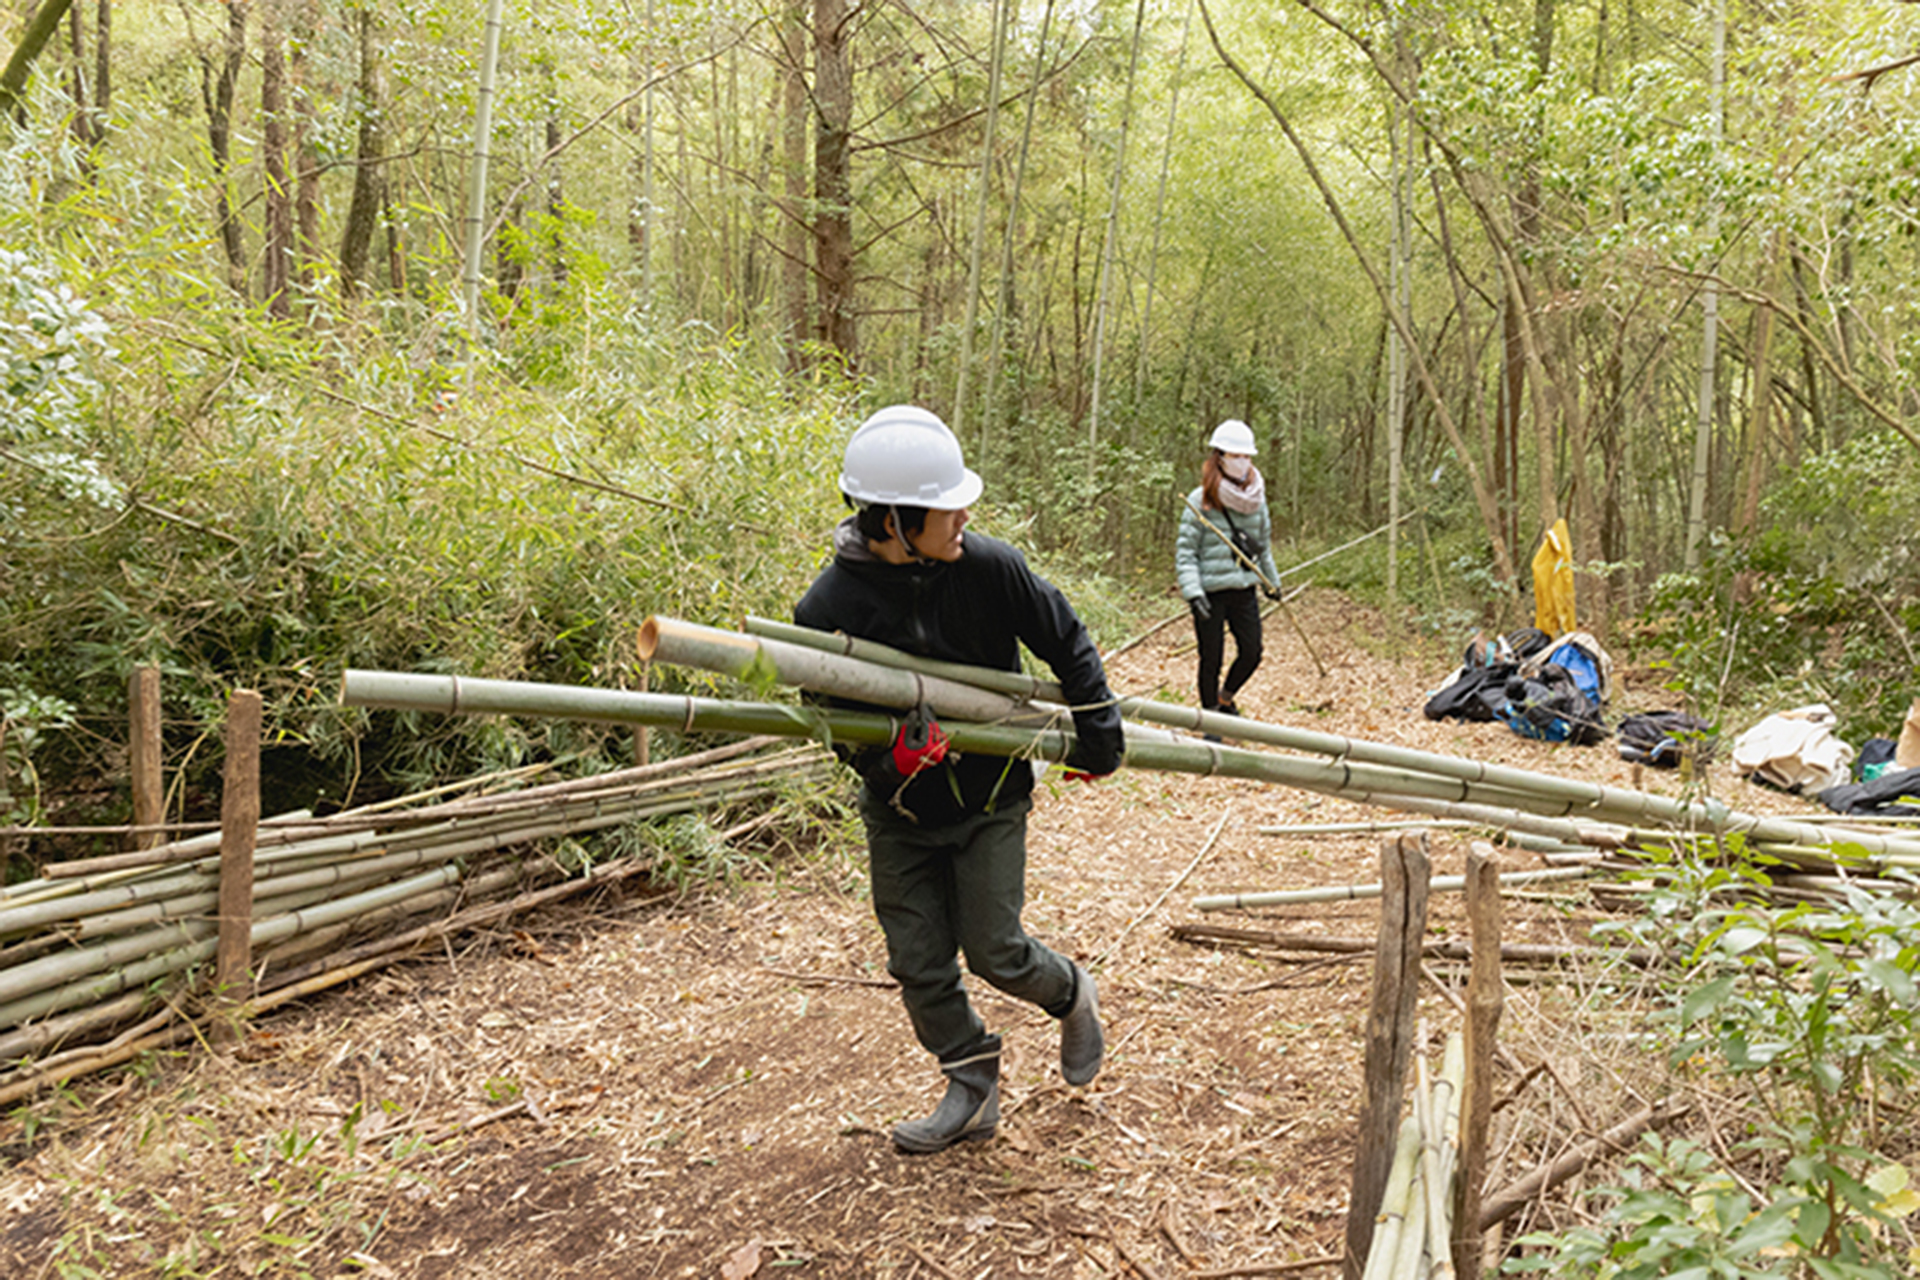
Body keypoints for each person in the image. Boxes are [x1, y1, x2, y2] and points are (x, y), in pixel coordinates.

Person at [793, 404, 1125, 1155]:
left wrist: (1100, 739)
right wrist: (889, 764)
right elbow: (829, 718)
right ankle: (971, 1083)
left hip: (988, 797)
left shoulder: (989, 567)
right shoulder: (827, 610)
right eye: (945, 506)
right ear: (892, 519)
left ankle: (1072, 993)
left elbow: (1066, 640)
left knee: (995, 948)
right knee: (916, 960)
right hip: (898, 811)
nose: (964, 514)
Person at [1175, 419, 1282, 718]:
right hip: (1209, 593)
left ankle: (1225, 698)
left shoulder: (1257, 501)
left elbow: (1264, 548)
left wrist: (1272, 583)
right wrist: (1193, 594)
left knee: (1252, 652)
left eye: (1246, 456)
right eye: (1235, 456)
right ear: (1219, 457)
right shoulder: (1200, 500)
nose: (1242, 462)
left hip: (1243, 589)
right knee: (1211, 658)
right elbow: (1186, 553)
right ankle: (1209, 717)